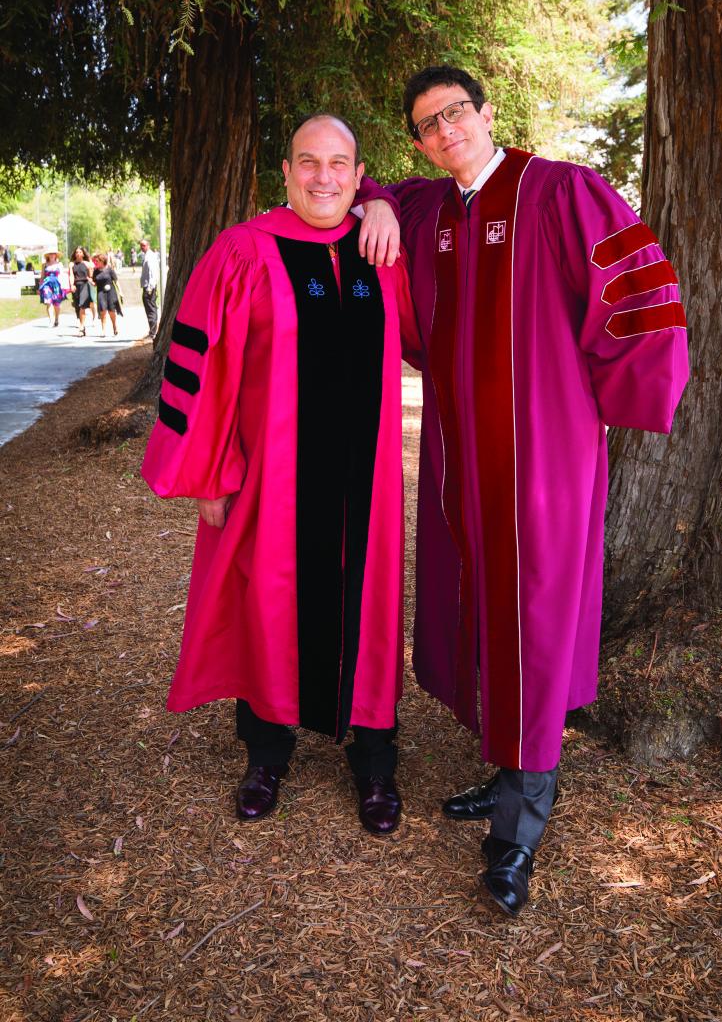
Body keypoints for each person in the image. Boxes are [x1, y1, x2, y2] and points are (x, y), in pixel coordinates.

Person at [357, 65, 690, 916]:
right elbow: (358, 179)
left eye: (455, 113)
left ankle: (518, 831)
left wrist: (618, 404)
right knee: (480, 601)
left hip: (545, 452)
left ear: (486, 112)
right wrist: (381, 199)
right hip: (460, 452)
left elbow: (640, 296)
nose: (444, 131)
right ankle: (507, 768)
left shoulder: (560, 193)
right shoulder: (429, 209)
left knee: (535, 613)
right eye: (427, 124)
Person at [141, 114, 419, 836]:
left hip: (369, 485)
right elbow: (203, 367)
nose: (323, 177)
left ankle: (376, 761)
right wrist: (209, 470)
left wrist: (384, 202)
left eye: (339, 164)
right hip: (274, 477)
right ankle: (266, 753)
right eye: (308, 162)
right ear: (286, 172)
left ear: (359, 176)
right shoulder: (242, 252)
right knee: (269, 604)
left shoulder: (383, 248)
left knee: (370, 606)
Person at [92, 253, 123, 336]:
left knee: (111, 311)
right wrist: (91, 282)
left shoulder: (109, 270)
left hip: (111, 292)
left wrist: (120, 292)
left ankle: (114, 326)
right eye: (95, 261)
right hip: (101, 292)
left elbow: (116, 281)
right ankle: (103, 330)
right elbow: (94, 282)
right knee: (102, 310)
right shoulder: (95, 271)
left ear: (102, 261)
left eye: (97, 261)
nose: (96, 262)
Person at [68, 246, 94, 336]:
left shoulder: (87, 263)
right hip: (76, 286)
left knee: (82, 305)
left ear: (83, 254)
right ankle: (82, 326)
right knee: (77, 307)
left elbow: (91, 274)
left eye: (80, 252)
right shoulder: (71, 264)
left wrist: (90, 273)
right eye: (76, 252)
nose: (78, 253)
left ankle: (81, 327)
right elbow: (71, 275)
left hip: (85, 285)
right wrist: (72, 285)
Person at [38, 251, 67, 327]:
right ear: (48, 255)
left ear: (56, 255)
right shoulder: (44, 265)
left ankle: (57, 318)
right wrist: (40, 287)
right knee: (48, 302)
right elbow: (42, 277)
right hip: (46, 284)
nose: (51, 255)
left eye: (53, 254)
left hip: (56, 285)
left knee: (56, 303)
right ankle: (51, 320)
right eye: (50, 254)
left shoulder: (59, 264)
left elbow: (62, 275)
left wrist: (63, 286)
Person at [139, 239, 160, 338]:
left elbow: (153, 273)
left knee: (151, 309)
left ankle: (153, 332)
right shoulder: (147, 255)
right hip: (147, 286)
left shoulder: (150, 256)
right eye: (141, 245)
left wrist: (150, 287)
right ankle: (152, 330)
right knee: (149, 309)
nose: (141, 247)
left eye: (143, 245)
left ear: (148, 245)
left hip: (149, 287)